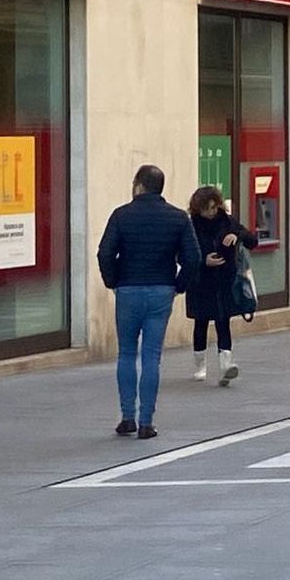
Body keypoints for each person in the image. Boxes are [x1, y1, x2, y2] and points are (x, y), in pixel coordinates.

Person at [96, 165, 202, 440]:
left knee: (127, 353)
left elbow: (105, 252)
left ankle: (127, 417)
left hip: (128, 290)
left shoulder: (121, 215)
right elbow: (193, 258)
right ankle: (146, 422)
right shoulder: (178, 218)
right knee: (152, 356)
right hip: (161, 290)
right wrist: (178, 286)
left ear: (139, 185)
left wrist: (113, 281)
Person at [186, 186, 258, 387]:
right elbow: (184, 254)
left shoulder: (228, 222)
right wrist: (203, 260)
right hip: (201, 282)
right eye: (206, 209)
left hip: (225, 281)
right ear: (197, 209)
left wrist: (237, 236)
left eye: (213, 208)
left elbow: (253, 240)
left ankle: (226, 366)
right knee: (200, 323)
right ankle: (200, 366)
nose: (210, 213)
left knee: (223, 322)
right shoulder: (190, 226)